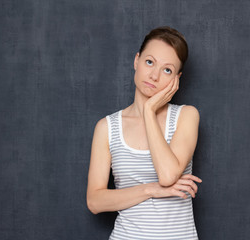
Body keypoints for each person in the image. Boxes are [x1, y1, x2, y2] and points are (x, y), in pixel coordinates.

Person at [86, 26, 202, 239]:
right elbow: (95, 202)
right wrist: (151, 190)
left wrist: (149, 111)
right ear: (136, 60)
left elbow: (168, 176)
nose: (154, 76)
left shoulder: (186, 116)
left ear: (177, 78)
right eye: (149, 62)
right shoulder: (106, 128)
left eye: (167, 70)